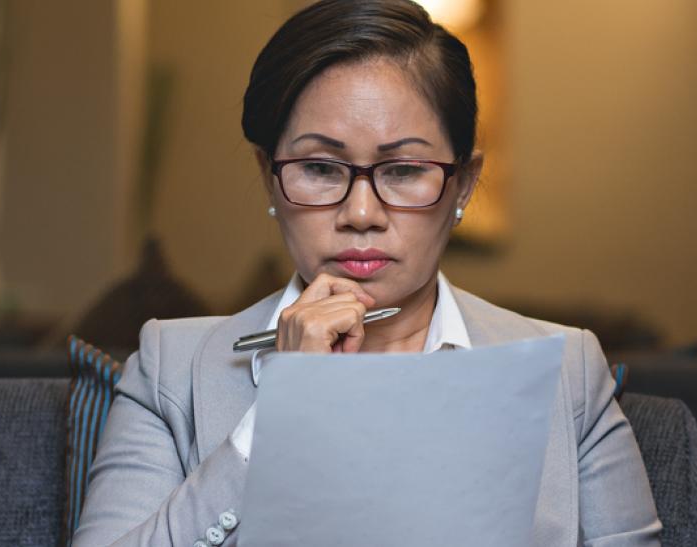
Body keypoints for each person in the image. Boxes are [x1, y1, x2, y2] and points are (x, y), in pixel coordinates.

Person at [72, 1, 661, 545]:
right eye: (320, 168)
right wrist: (281, 415)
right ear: (268, 178)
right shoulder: (170, 368)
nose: (360, 214)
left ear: (463, 184)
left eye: (403, 170)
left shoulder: (568, 373)